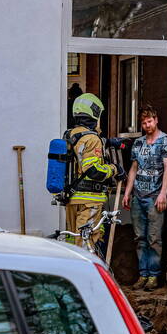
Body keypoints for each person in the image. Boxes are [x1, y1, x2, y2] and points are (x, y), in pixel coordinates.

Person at [123, 106, 167, 290]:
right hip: (138, 195)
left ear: (156, 120)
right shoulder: (138, 143)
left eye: (150, 121)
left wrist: (163, 193)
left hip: (155, 196)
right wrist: (127, 192)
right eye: (144, 123)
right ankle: (143, 274)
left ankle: (153, 276)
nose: (147, 125)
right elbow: (133, 169)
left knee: (154, 237)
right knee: (139, 237)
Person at [64, 93, 120, 251]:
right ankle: (85, 274)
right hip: (89, 200)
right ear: (94, 115)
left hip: (71, 198)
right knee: (86, 244)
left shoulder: (70, 134)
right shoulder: (93, 139)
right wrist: (115, 169)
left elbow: (82, 148)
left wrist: (108, 142)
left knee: (73, 240)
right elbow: (94, 171)